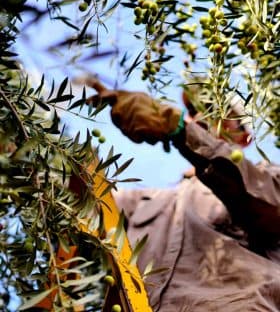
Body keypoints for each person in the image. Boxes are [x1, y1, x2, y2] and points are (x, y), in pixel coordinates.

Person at [86, 79, 280, 312]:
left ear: (244, 137)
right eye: (194, 109)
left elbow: (263, 207)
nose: (200, 116)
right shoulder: (149, 201)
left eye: (213, 109)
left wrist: (182, 132)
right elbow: (84, 201)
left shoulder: (266, 179)